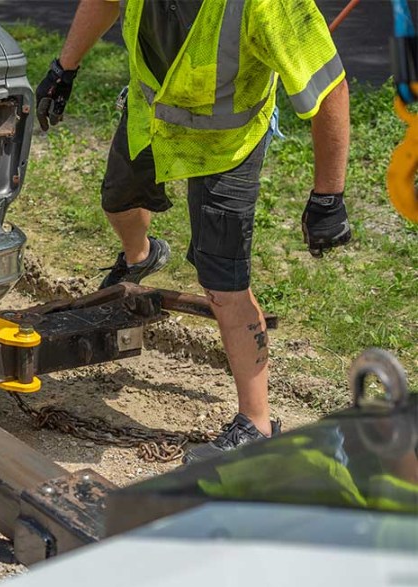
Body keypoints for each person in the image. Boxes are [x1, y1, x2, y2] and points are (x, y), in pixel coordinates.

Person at [36, 0, 352, 462]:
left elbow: (330, 90)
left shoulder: (271, 6)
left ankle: (257, 424)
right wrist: (64, 69)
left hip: (227, 144)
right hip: (153, 118)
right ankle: (141, 257)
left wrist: (328, 195)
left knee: (224, 283)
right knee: (119, 203)